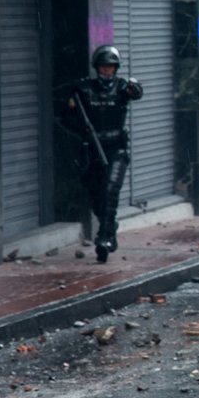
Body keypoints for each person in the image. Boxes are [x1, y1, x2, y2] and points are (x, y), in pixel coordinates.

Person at [61, 45, 143, 263]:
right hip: (92, 148)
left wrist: (134, 88)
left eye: (111, 68)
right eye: (103, 68)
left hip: (116, 148)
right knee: (97, 198)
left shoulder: (122, 87)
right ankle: (110, 226)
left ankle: (103, 239)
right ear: (97, 68)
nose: (107, 72)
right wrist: (83, 128)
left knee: (109, 191)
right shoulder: (84, 90)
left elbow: (136, 93)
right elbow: (66, 117)